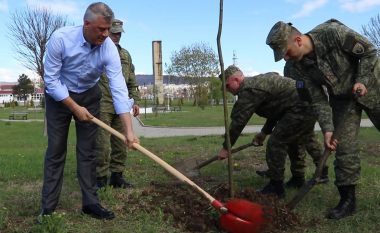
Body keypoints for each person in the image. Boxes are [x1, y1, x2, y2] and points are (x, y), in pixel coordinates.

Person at [266, 19, 380, 219]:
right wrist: (327, 129)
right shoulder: (295, 68)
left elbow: (370, 51)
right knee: (344, 148)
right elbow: (317, 100)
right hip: (343, 100)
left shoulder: (332, 33)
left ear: (299, 40)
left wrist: (361, 79)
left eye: (286, 52)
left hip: (373, 86)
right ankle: (348, 200)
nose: (285, 58)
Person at [40, 2, 139, 220]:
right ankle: (47, 208)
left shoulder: (108, 49)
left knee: (88, 152)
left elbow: (119, 89)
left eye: (108, 29)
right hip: (59, 98)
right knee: (56, 151)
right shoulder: (61, 39)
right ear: (86, 23)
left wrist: (129, 130)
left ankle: (90, 203)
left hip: (90, 95)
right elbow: (51, 81)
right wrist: (75, 107)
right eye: (102, 29)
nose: (106, 35)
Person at [217, 65, 327, 198]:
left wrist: (226, 147)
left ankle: (276, 187)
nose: (227, 90)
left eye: (227, 86)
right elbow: (276, 111)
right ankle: (300, 179)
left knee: (276, 144)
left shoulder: (248, 90)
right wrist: (263, 133)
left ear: (236, 80)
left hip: (301, 107)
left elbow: (238, 122)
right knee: (296, 141)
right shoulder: (257, 82)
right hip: (304, 104)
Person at [95, 19, 140, 189]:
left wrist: (135, 100)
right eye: (114, 32)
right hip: (102, 104)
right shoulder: (97, 51)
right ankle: (99, 178)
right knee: (102, 145)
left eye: (119, 33)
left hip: (122, 106)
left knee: (121, 143)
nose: (117, 36)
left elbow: (131, 80)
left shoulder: (125, 55)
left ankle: (117, 176)